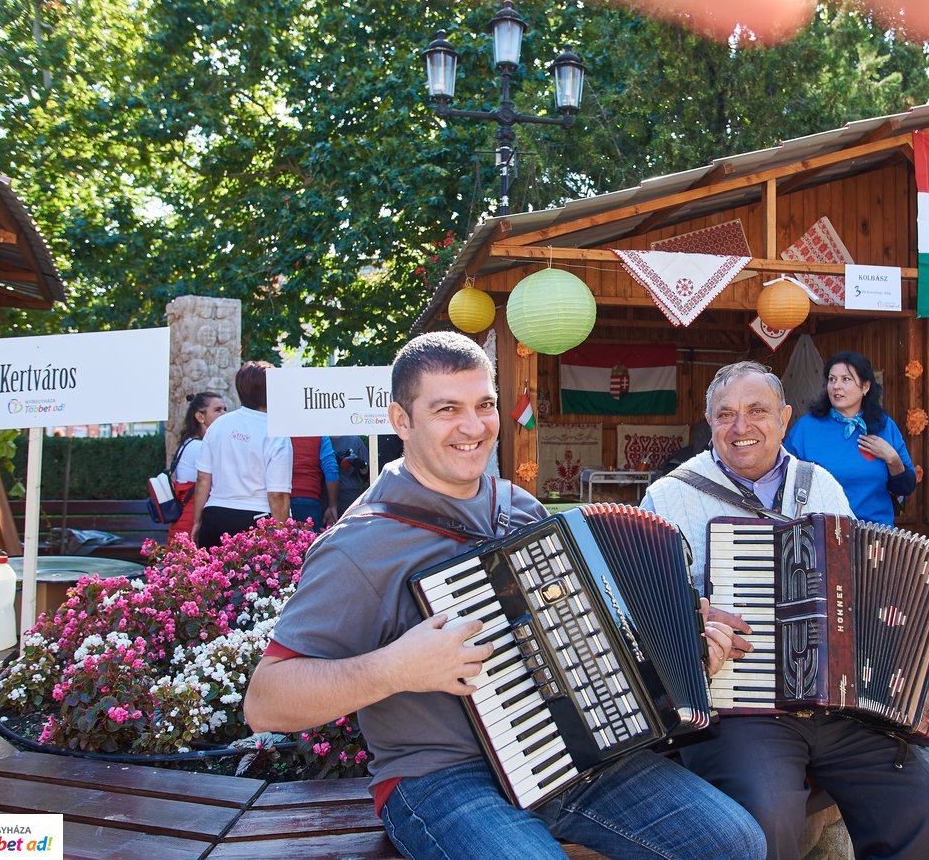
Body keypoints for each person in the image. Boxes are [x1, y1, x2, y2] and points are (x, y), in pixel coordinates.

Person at [244, 332, 766, 860]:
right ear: (400, 420)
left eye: (485, 405)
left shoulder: (519, 509)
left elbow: (584, 627)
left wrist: (676, 628)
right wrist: (395, 669)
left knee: (734, 843)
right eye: (447, 409)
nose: (473, 427)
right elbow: (266, 702)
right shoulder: (359, 546)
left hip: (570, 751)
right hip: (441, 778)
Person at [642, 361, 929, 859]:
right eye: (725, 415)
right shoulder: (671, 495)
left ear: (785, 418)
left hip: (840, 708)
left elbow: (871, 599)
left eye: (757, 411)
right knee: (765, 819)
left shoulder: (821, 486)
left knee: (925, 818)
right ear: (710, 422)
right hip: (739, 710)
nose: (740, 427)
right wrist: (691, 622)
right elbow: (646, 616)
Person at [784, 351, 916, 524]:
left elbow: (906, 487)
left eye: (846, 379)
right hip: (821, 534)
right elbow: (782, 479)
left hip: (874, 535)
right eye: (832, 379)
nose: (836, 386)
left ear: (865, 387)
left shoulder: (884, 426)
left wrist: (892, 458)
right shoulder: (806, 427)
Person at [191, 362, 293, 548]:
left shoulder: (219, 426)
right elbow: (277, 494)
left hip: (215, 517)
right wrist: (283, 540)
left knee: (213, 577)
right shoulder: (276, 432)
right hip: (255, 519)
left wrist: (197, 521)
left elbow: (203, 479)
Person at [167, 392, 227, 545]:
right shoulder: (199, 447)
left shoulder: (190, 443)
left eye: (225, 409)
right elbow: (207, 480)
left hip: (186, 521)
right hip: (191, 523)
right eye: (217, 410)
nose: (224, 414)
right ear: (200, 417)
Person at [289, 435, 340, 531]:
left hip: (278, 500)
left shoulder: (275, 428)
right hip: (309, 500)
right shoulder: (318, 432)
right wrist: (332, 506)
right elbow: (331, 470)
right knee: (310, 544)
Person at [329, 434, 370, 512]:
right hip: (325, 497)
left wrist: (361, 464)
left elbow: (367, 476)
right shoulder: (320, 439)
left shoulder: (355, 440)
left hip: (350, 498)